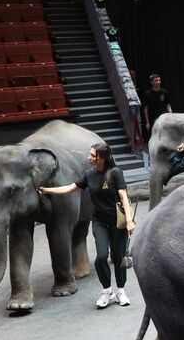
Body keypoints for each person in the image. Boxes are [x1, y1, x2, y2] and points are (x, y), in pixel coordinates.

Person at [39, 143, 135, 309]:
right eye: (90, 154)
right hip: (99, 221)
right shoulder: (89, 174)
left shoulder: (115, 173)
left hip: (117, 221)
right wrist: (47, 190)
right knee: (101, 257)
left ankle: (120, 290)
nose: (88, 157)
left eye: (92, 155)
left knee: (119, 258)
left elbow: (123, 196)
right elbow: (71, 188)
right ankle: (107, 291)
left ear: (102, 157)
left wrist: (129, 220)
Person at [139, 73, 171, 168]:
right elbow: (145, 109)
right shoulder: (147, 94)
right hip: (153, 119)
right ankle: (155, 157)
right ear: (152, 82)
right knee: (155, 138)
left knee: (166, 136)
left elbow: (168, 105)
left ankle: (167, 155)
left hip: (164, 118)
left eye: (159, 80)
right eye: (156, 80)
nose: (158, 82)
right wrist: (147, 122)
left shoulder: (164, 92)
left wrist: (171, 115)